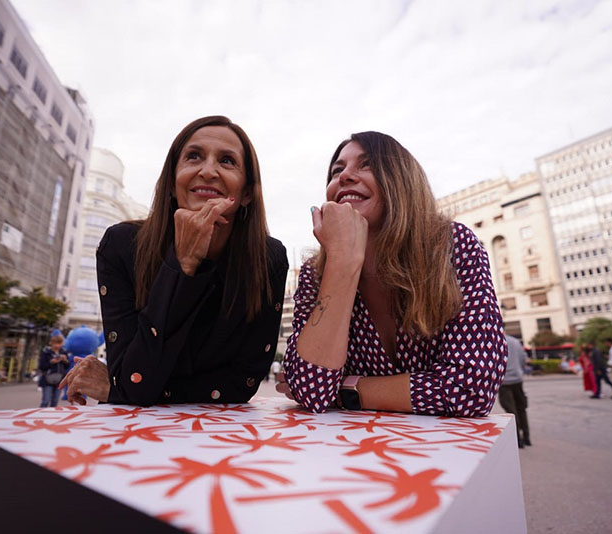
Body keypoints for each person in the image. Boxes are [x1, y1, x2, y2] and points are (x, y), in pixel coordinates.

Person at [61, 116, 288, 406]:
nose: (208, 171)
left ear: (246, 193)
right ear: (171, 182)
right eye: (194, 157)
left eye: (227, 161)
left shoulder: (268, 259)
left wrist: (119, 388)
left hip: (226, 435)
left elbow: (242, 385)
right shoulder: (120, 245)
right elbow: (132, 382)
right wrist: (182, 265)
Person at [278, 131, 507, 415]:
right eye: (337, 170)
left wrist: (344, 391)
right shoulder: (316, 272)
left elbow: (472, 388)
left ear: (401, 181)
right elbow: (310, 391)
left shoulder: (451, 246)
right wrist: (342, 263)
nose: (345, 176)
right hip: (350, 450)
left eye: (367, 164)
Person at [498, 335, 531, 448]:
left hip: (504, 381)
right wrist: (519, 371)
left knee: (511, 411)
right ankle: (527, 437)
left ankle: (518, 439)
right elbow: (523, 358)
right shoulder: (515, 341)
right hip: (517, 379)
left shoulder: (495, 341)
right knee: (521, 408)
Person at [38, 335, 69, 407]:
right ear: (51, 343)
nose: (57, 345)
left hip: (59, 380)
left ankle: (51, 417)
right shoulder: (46, 352)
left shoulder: (63, 352)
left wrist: (65, 360)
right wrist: (51, 362)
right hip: (47, 379)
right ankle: (41, 415)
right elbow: (41, 366)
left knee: (55, 401)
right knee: (45, 401)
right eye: (55, 343)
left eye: (59, 343)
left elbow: (67, 366)